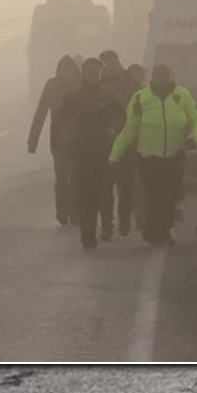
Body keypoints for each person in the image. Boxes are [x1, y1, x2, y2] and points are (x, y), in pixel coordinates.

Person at [109, 64, 197, 246]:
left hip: (175, 155)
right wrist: (115, 155)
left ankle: (164, 230)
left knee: (169, 195)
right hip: (148, 158)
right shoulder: (140, 98)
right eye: (158, 74)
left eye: (165, 74)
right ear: (152, 76)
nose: (162, 78)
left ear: (171, 76)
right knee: (153, 195)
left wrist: (195, 138)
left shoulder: (182, 95)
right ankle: (153, 230)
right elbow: (129, 129)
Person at [58, 58, 121, 249]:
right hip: (80, 154)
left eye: (97, 73)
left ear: (101, 74)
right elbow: (60, 122)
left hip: (103, 152)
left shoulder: (108, 94)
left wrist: (113, 128)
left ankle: (105, 225)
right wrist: (63, 144)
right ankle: (88, 233)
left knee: (103, 191)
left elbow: (121, 116)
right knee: (84, 195)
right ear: (83, 73)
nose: (93, 76)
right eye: (89, 72)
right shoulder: (73, 96)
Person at [28, 56, 81, 226]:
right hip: (58, 141)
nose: (66, 73)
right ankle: (62, 211)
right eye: (63, 70)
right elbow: (41, 112)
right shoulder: (51, 85)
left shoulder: (81, 84)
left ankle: (75, 211)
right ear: (58, 71)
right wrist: (33, 139)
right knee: (61, 178)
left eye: (69, 69)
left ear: (75, 71)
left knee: (76, 177)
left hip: (80, 141)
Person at [98, 51, 138, 238]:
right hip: (104, 145)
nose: (108, 65)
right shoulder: (97, 84)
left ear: (117, 61)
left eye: (110, 62)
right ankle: (107, 224)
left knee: (126, 187)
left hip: (127, 143)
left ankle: (124, 218)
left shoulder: (131, 83)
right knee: (105, 188)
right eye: (105, 63)